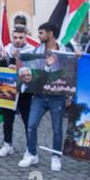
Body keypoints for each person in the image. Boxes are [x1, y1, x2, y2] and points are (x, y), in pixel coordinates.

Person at [18, 22, 69, 171]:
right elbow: (30, 69)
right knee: (31, 125)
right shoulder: (37, 50)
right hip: (39, 95)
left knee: (57, 129)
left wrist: (69, 96)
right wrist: (17, 64)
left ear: (50, 33)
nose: (38, 36)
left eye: (41, 33)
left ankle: (56, 157)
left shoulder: (64, 49)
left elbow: (70, 71)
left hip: (57, 96)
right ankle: (32, 153)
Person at [0, 26, 35, 157]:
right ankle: (7, 144)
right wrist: (3, 59)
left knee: (27, 120)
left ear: (25, 37)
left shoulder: (32, 51)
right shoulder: (6, 49)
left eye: (20, 37)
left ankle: (31, 148)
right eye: (15, 37)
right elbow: (0, 70)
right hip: (9, 91)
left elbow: (33, 71)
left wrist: (17, 63)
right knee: (8, 119)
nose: (17, 40)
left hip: (25, 92)